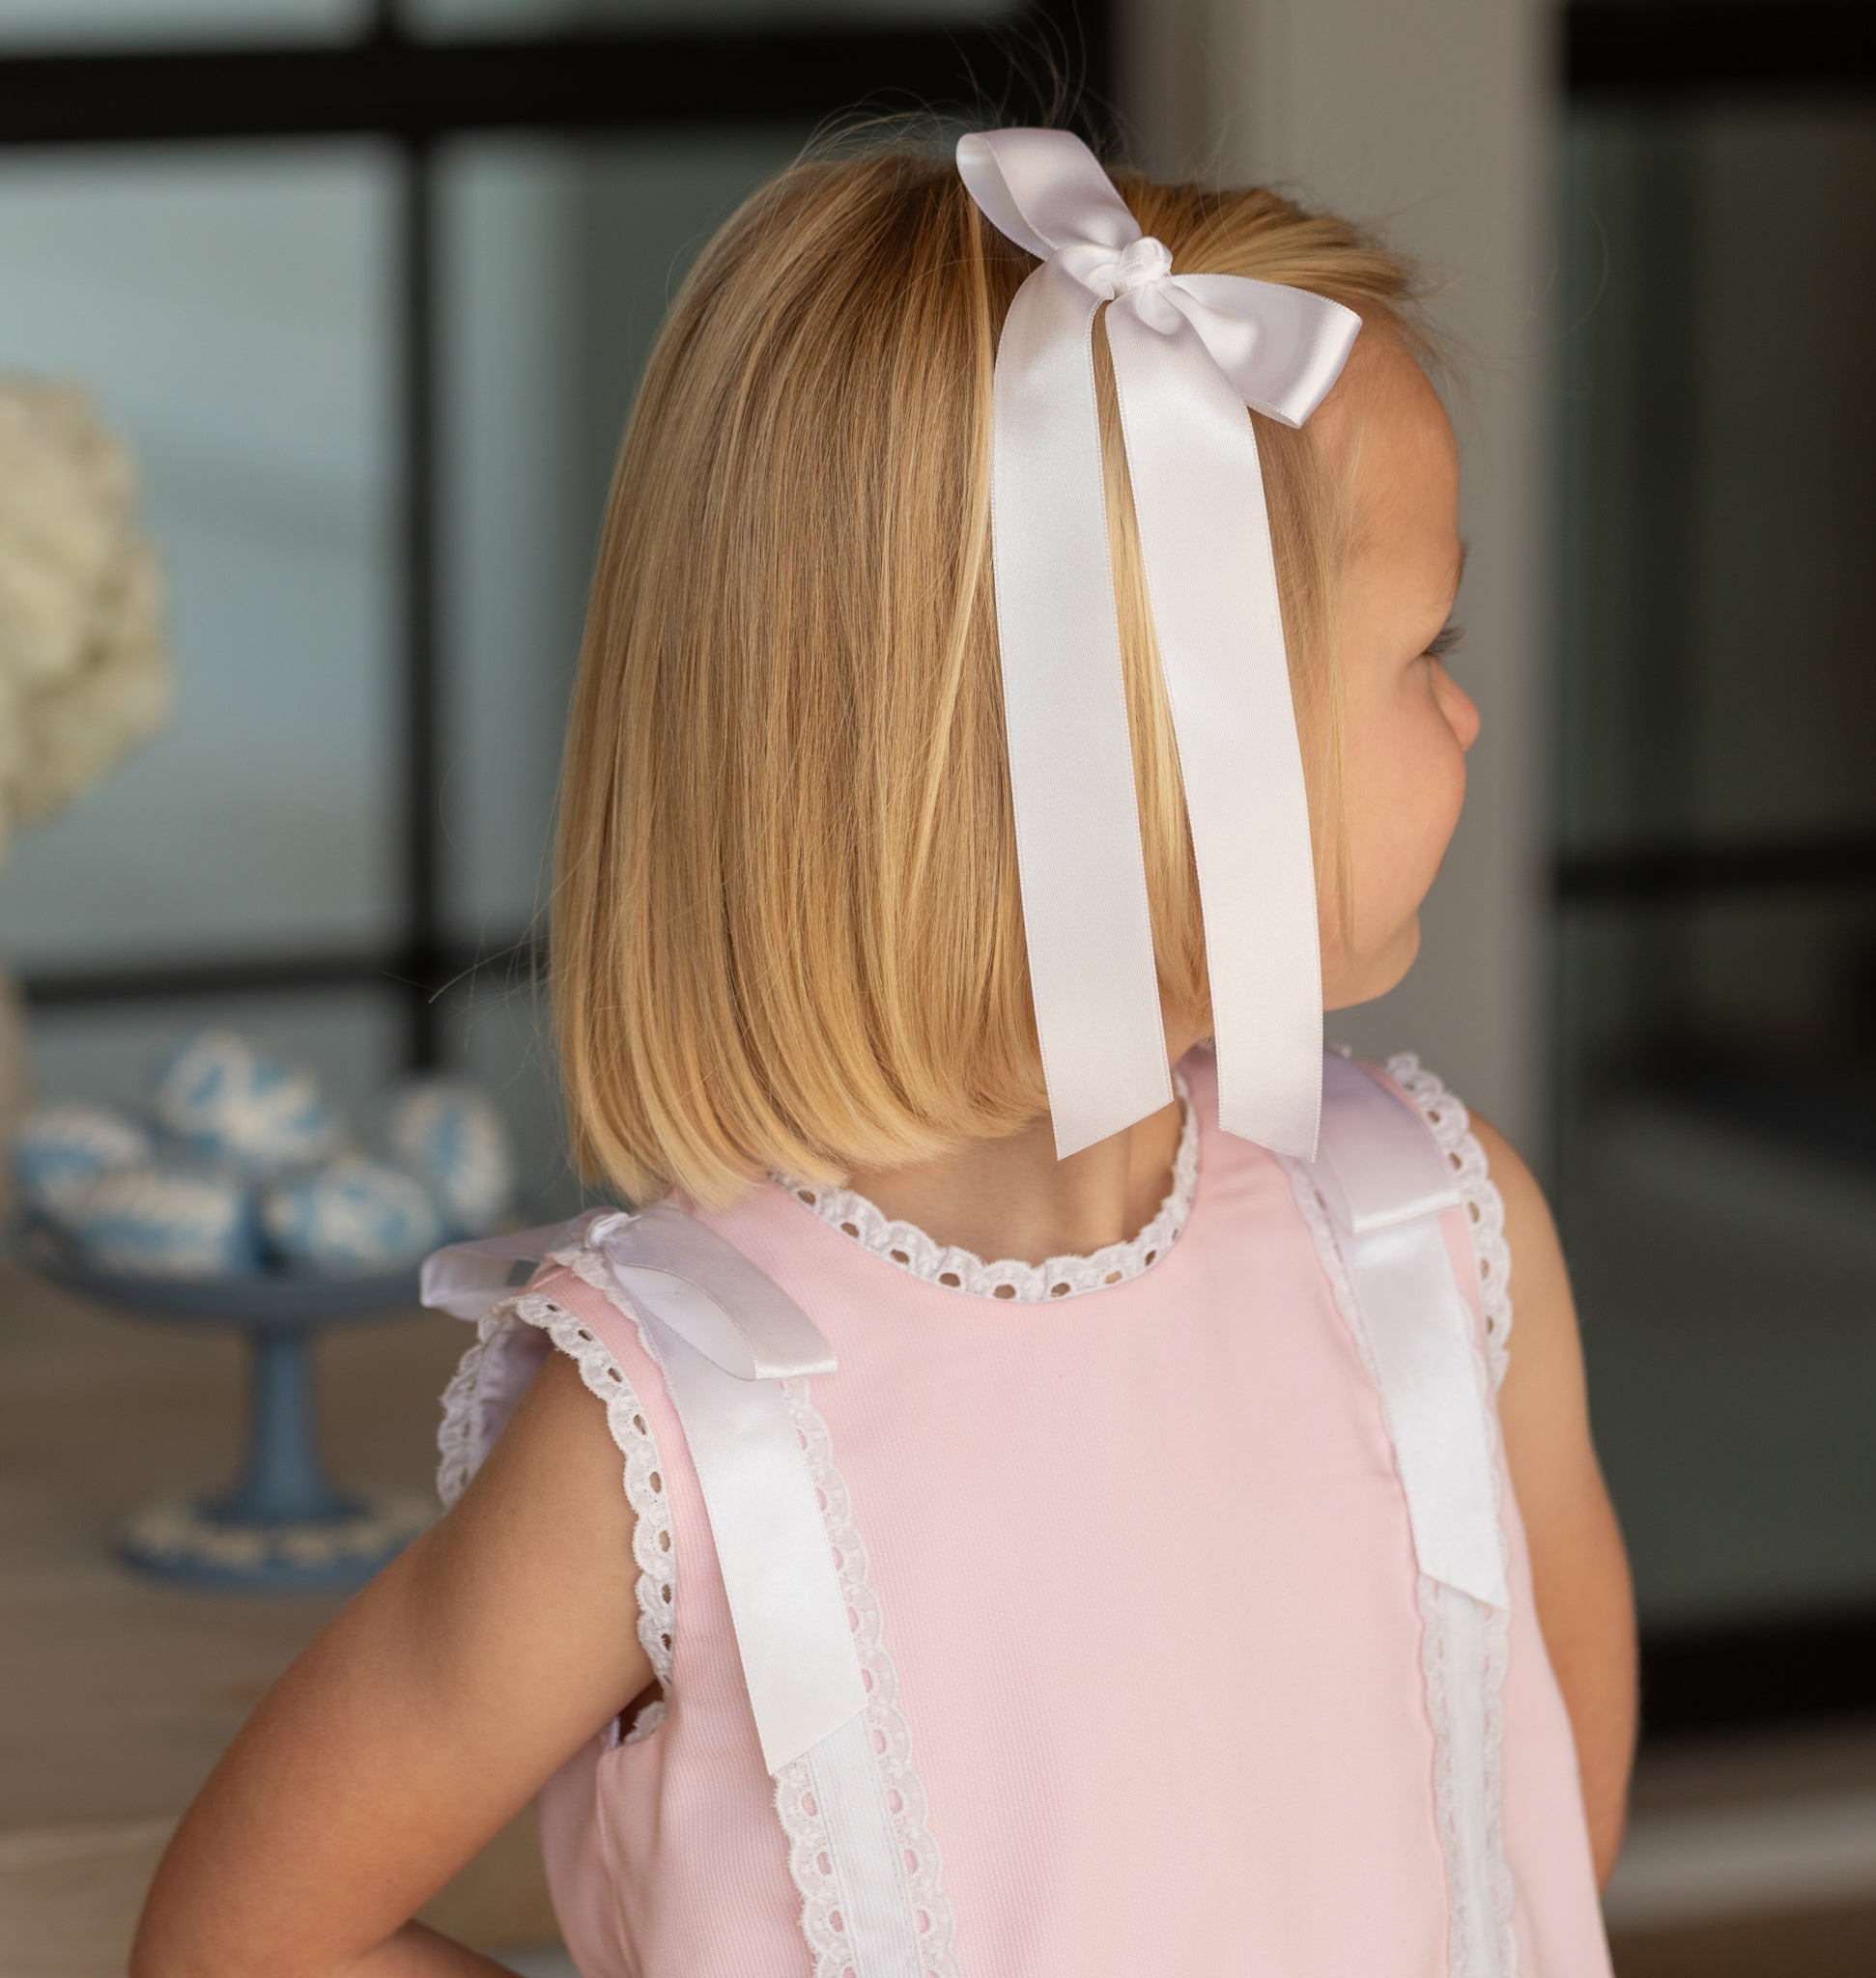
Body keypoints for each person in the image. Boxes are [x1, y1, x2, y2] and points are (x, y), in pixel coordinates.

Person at [131, 124, 1635, 1978]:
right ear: (1170, 761)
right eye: (1430, 642)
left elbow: (1539, 1800)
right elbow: (247, 1935)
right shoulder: (690, 1426)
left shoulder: (1441, 1246)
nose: (1473, 707)